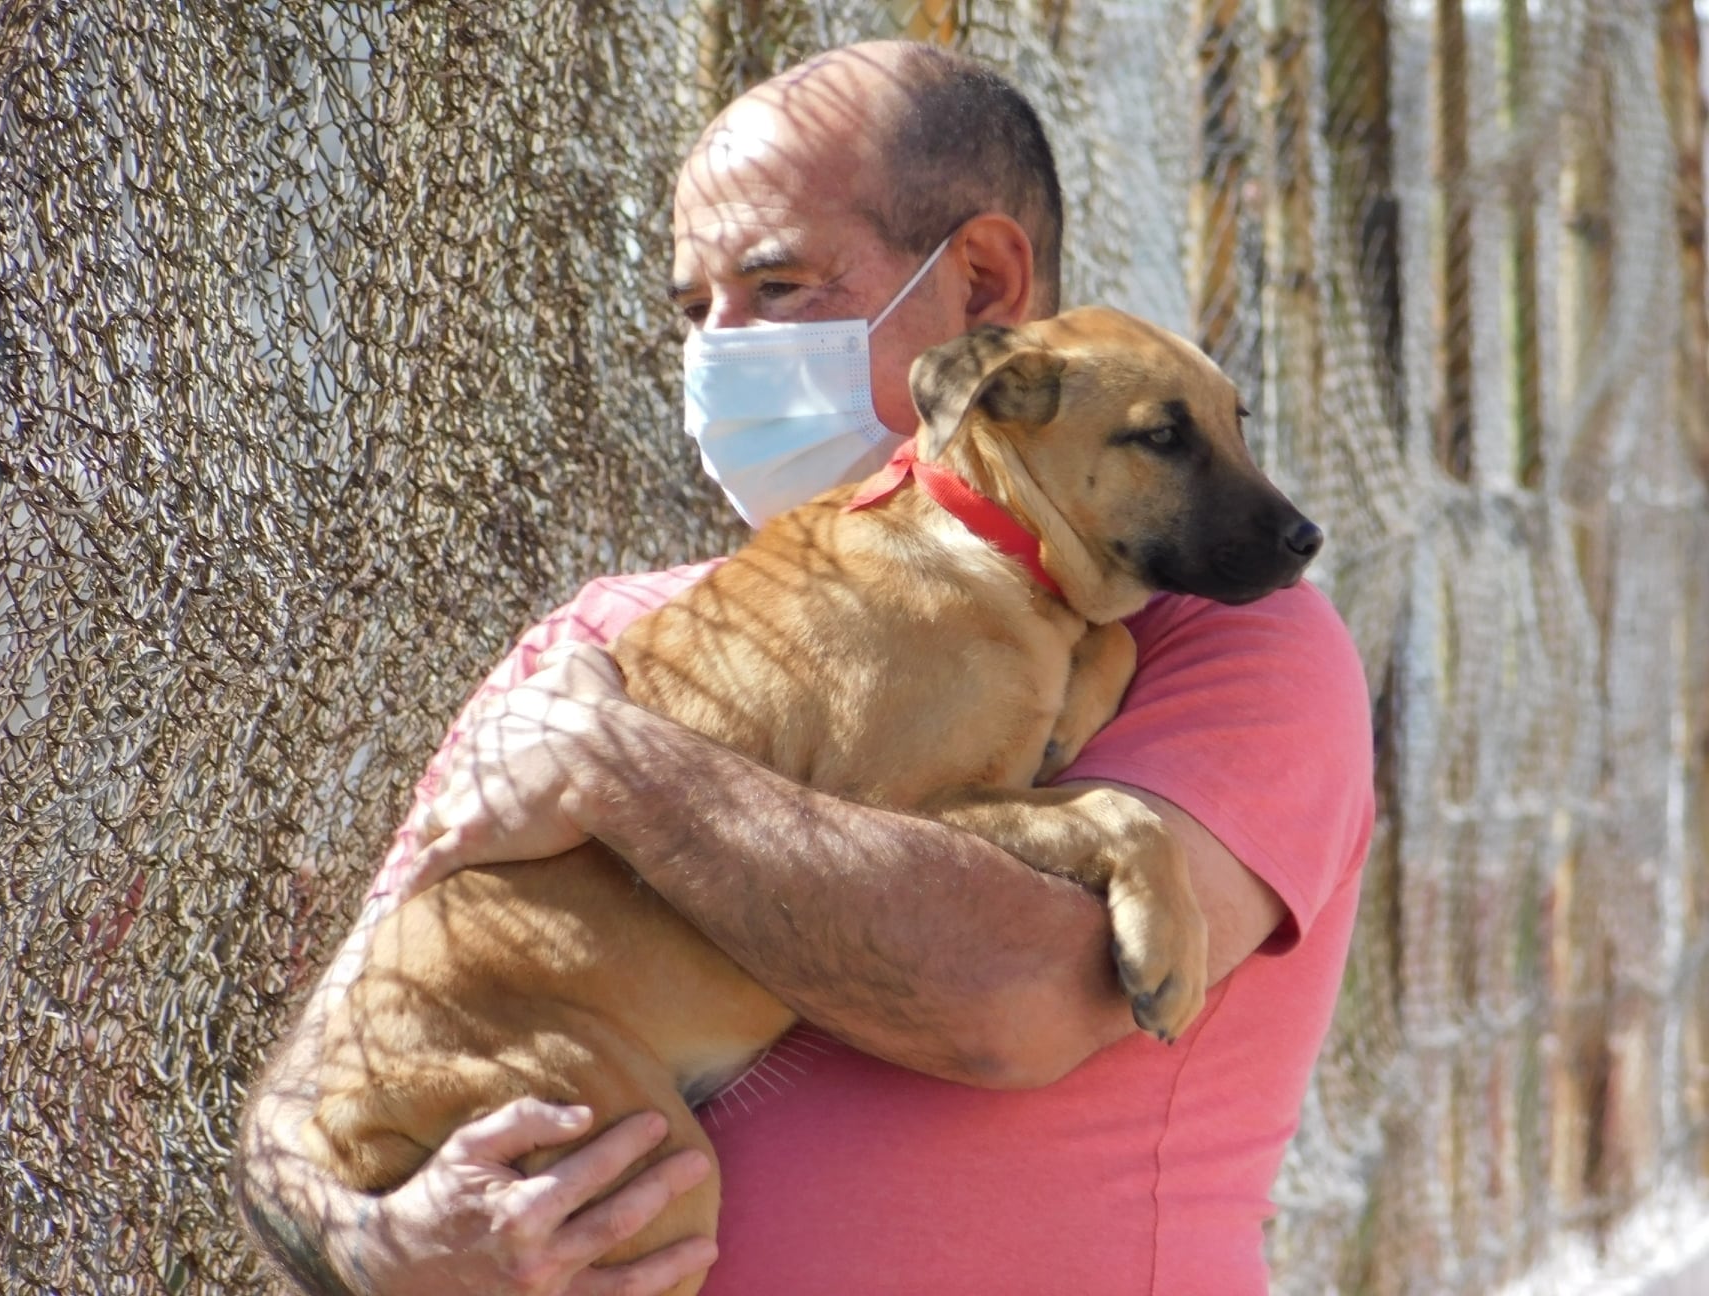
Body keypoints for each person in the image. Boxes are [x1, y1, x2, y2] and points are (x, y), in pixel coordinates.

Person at [234, 39, 1374, 1296]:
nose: (721, 352)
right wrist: (372, 1246)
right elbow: (319, 1078)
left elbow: (1010, 1000)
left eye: (776, 288)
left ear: (987, 283)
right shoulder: (608, 637)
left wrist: (621, 767)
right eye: (694, 309)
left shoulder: (1223, 640)